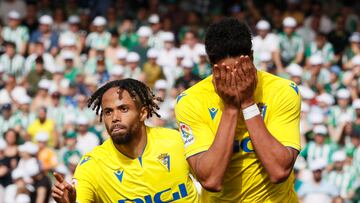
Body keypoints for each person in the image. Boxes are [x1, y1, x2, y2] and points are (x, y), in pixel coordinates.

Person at [174, 18, 301, 202]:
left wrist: (248, 103)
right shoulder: (190, 101)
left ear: (251, 57)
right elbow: (211, 180)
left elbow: (279, 171)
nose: (234, 81)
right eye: (226, 73)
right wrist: (231, 108)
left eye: (240, 70)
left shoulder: (283, 91)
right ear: (212, 66)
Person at [52, 79, 199, 203]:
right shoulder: (92, 165)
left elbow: (213, 180)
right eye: (108, 112)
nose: (114, 118)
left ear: (143, 113)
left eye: (123, 109)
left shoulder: (176, 141)